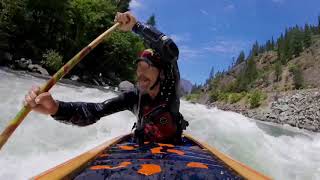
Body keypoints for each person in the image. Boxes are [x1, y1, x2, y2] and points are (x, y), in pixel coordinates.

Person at [24, 12, 188, 144]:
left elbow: (169, 49)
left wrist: (135, 26)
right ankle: (125, 86)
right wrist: (55, 108)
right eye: (139, 67)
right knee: (126, 90)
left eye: (147, 67)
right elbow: (95, 111)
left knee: (127, 87)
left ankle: (125, 85)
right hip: (143, 142)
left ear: (162, 73)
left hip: (173, 143)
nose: (141, 74)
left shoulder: (169, 90)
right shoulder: (134, 98)